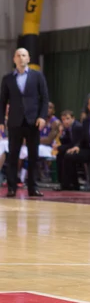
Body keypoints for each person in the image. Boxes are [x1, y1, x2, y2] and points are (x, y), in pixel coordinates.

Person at [0, 48, 49, 198]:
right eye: (18, 56)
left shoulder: (37, 76)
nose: (21, 58)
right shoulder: (7, 79)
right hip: (15, 122)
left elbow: (45, 99)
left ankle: (33, 187)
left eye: (24, 55)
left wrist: (42, 117)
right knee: (13, 155)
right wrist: (1, 120)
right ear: (14, 59)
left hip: (33, 121)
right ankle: (12, 187)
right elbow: (2, 101)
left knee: (33, 155)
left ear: (28, 58)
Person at [54, 110, 83, 191]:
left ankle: (69, 183)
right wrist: (61, 132)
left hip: (81, 148)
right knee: (60, 155)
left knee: (67, 155)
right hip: (73, 147)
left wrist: (60, 147)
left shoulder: (77, 127)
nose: (65, 121)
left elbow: (76, 143)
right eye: (63, 119)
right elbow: (65, 141)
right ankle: (62, 182)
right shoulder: (68, 128)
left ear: (73, 118)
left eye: (67, 119)